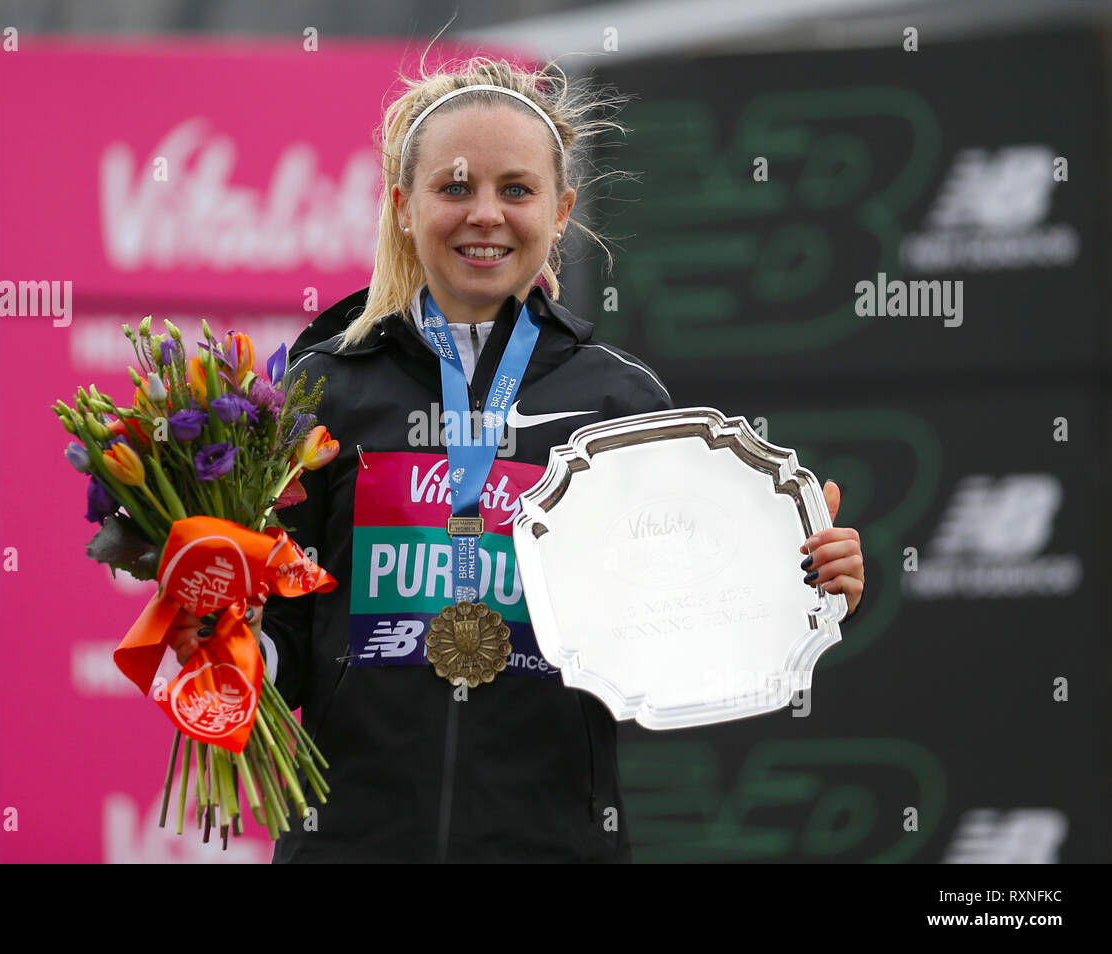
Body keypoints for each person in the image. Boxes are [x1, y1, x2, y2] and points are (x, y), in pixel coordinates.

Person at [170, 56, 865, 862]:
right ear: (403, 206)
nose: (485, 215)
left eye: (517, 190)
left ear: (562, 209)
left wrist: (802, 589)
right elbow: (285, 641)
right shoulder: (321, 392)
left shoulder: (620, 401)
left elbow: (678, 629)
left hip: (554, 843)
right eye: (455, 188)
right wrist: (220, 633)